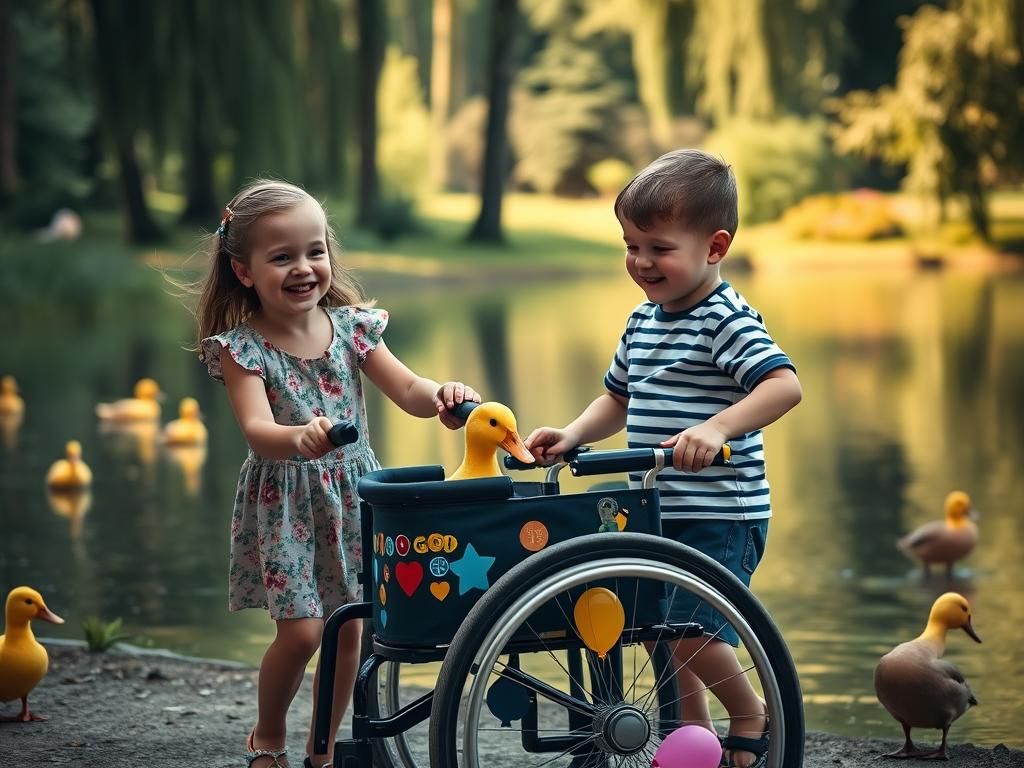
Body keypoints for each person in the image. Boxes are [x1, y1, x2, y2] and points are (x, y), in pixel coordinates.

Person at [525, 149, 802, 768]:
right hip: (654, 507)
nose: (641, 262)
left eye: (658, 247)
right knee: (660, 634)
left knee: (689, 629)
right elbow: (617, 398)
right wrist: (573, 435)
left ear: (715, 247)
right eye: (630, 246)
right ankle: (692, 744)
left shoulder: (723, 319)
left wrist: (717, 426)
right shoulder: (643, 320)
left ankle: (750, 711)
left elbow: (783, 384)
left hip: (719, 510)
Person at [195, 179, 479, 768]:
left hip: (355, 496)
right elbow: (256, 430)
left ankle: (321, 752)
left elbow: (409, 391)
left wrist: (445, 398)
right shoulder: (243, 349)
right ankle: (267, 737)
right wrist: (298, 437)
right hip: (287, 501)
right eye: (282, 257)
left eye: (315, 251)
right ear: (245, 271)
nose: (304, 268)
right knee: (301, 633)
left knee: (350, 630)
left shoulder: (352, 329)